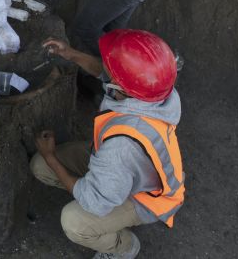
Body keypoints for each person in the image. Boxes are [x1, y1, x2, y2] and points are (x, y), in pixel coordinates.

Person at [32, 29, 184, 259]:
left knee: (74, 221)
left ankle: (123, 247)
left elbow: (95, 203)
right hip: (126, 169)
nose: (106, 69)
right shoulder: (154, 87)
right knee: (40, 166)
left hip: (145, 196)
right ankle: (103, 193)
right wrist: (70, 53)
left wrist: (51, 155)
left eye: (113, 71)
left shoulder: (121, 147)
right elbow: (108, 74)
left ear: (121, 86)